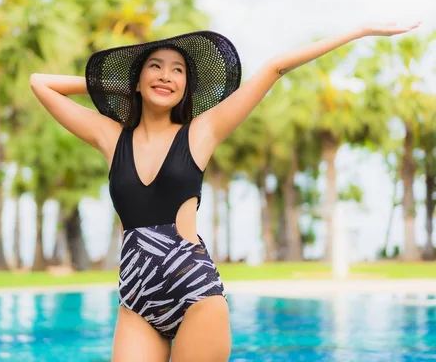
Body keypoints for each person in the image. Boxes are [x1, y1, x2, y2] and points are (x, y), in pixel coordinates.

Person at [29, 22, 419, 362]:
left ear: (187, 85)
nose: (167, 76)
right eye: (155, 67)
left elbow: (274, 67)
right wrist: (122, 87)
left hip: (195, 293)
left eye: (178, 70)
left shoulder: (201, 132)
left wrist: (360, 31)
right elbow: (41, 83)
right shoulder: (111, 138)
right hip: (135, 301)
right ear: (138, 77)